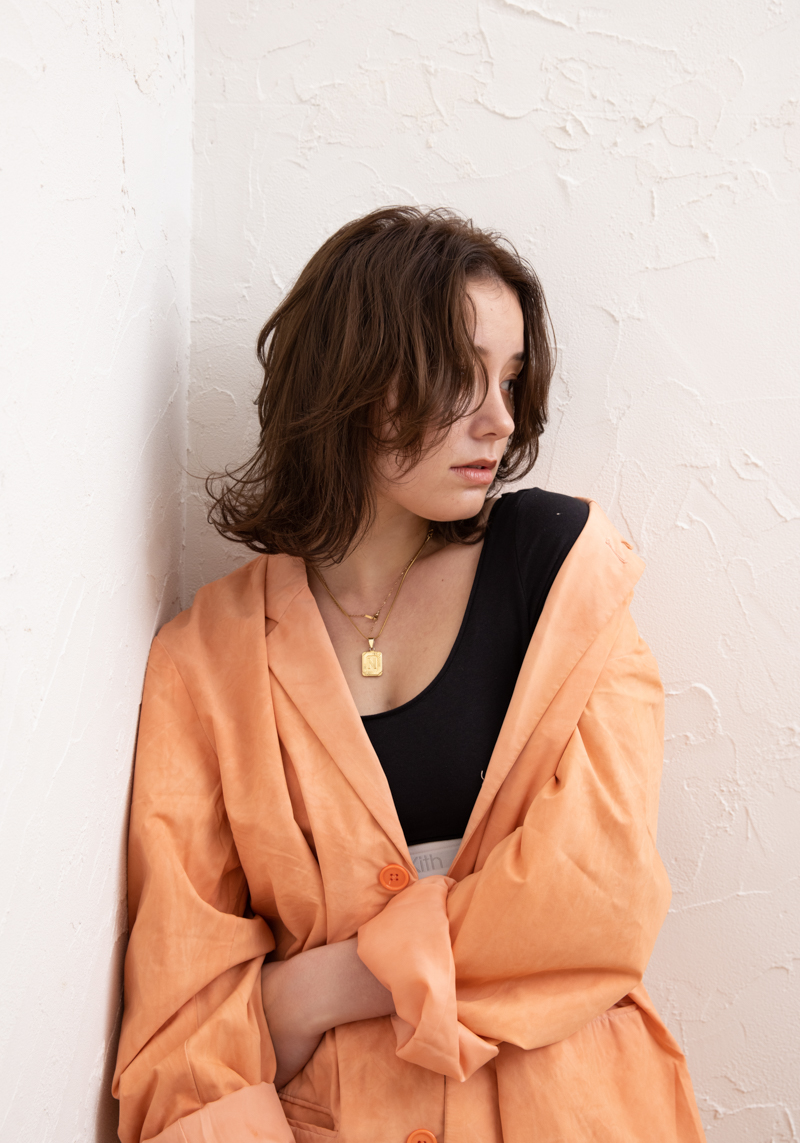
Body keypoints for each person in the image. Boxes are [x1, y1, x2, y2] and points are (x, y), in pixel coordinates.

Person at [113, 207, 706, 1143]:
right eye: (460, 375)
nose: (499, 419)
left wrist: (310, 990)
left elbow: (598, 898)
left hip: (572, 1111)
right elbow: (185, 1032)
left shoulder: (562, 574)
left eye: (511, 380)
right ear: (352, 377)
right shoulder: (210, 658)